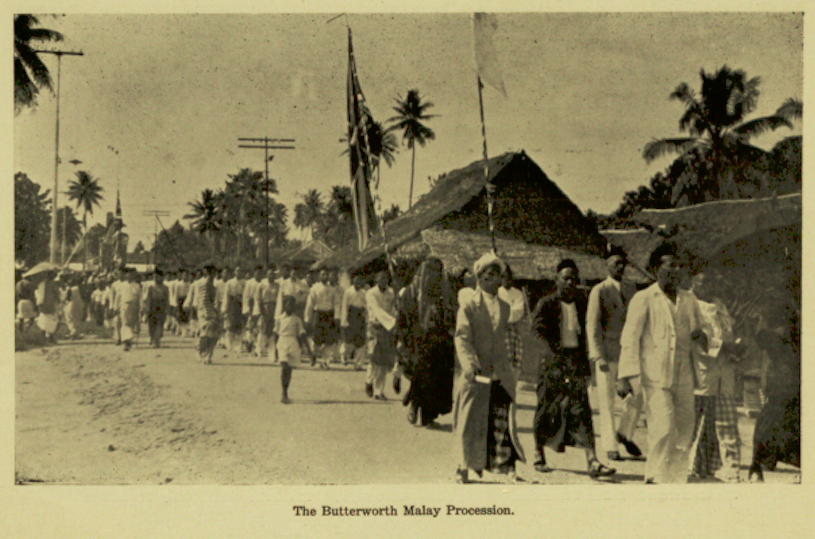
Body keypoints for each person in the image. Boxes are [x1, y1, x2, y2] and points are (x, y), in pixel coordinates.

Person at [618, 243, 704, 484]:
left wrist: (703, 337)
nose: (676, 270)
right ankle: (655, 479)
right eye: (670, 265)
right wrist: (624, 376)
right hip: (655, 376)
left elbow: (698, 331)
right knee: (663, 429)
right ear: (656, 269)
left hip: (684, 373)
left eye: (679, 265)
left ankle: (675, 481)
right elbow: (630, 338)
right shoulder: (644, 298)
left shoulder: (689, 299)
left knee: (685, 431)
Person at [532, 259, 616, 479]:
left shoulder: (582, 303)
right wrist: (552, 356)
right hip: (551, 363)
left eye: (573, 279)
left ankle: (592, 461)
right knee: (546, 407)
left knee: (582, 410)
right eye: (566, 278)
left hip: (574, 362)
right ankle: (538, 452)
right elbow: (536, 333)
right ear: (556, 279)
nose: (570, 282)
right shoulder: (546, 303)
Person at [453, 252, 525, 484]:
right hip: (475, 372)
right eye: (491, 275)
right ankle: (462, 466)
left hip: (498, 372)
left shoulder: (504, 307)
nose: (496, 280)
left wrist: (509, 370)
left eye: (498, 275)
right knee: (468, 418)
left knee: (500, 419)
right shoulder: (469, 306)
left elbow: (502, 339)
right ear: (480, 277)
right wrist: (469, 365)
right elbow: (462, 338)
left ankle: (504, 466)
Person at [686, 271, 745, 482]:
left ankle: (729, 467)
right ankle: (693, 466)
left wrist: (736, 347)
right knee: (700, 420)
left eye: (709, 280)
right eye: (702, 281)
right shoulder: (689, 304)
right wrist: (723, 347)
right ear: (693, 283)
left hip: (724, 370)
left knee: (726, 422)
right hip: (702, 368)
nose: (707, 285)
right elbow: (696, 337)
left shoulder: (720, 305)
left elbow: (728, 331)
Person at [586, 247, 643, 461]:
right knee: (607, 401)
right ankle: (610, 445)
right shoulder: (599, 290)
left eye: (623, 264)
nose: (620, 267)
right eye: (616, 263)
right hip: (607, 353)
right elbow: (592, 326)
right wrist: (598, 356)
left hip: (629, 353)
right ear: (607, 265)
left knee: (639, 395)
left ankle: (624, 433)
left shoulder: (632, 289)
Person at [396, 257, 456, 427]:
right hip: (418, 341)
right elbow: (403, 318)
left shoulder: (443, 292)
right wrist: (403, 339)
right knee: (422, 376)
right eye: (431, 270)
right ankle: (415, 404)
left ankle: (428, 416)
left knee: (436, 380)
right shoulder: (411, 292)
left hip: (438, 341)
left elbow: (450, 314)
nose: (434, 275)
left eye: (438, 271)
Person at [748, 300, 800, 483]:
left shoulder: (770, 335)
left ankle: (756, 467)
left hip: (785, 385)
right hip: (786, 385)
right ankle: (756, 467)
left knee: (769, 424)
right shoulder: (785, 334)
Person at [275, 295, 316, 404]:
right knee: (284, 366)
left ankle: (286, 391)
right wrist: (275, 349)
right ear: (284, 305)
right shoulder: (279, 318)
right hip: (282, 342)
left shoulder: (297, 319)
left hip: (293, 343)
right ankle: (283, 393)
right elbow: (276, 334)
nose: (291, 307)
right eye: (289, 304)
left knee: (288, 369)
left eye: (293, 305)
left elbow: (302, 335)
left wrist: (309, 351)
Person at [365, 271, 398, 399]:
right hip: (375, 327)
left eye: (385, 279)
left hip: (387, 329)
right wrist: (392, 322)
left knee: (384, 360)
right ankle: (369, 381)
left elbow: (392, 308)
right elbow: (376, 310)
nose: (383, 281)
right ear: (376, 279)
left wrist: (397, 318)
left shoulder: (391, 292)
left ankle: (379, 391)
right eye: (380, 279)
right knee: (374, 357)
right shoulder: (371, 293)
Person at [305, 268, 340, 368]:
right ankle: (314, 356)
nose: (324, 277)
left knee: (328, 340)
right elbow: (310, 304)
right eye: (322, 275)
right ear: (319, 276)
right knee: (317, 338)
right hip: (318, 314)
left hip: (329, 315)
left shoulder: (333, 289)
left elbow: (337, 303)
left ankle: (325, 361)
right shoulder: (315, 288)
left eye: (326, 275)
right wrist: (308, 318)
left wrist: (337, 316)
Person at [498, 265, 525, 370]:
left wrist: (505, 314)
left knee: (513, 362)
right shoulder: (496, 292)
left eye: (508, 277)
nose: (506, 280)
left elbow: (518, 312)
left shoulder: (518, 294)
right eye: (503, 277)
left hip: (513, 330)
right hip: (499, 330)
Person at [340, 273, 368, 370]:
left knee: (360, 340)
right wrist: (344, 320)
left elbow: (366, 306)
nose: (358, 283)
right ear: (353, 282)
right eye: (356, 282)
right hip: (351, 316)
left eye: (360, 282)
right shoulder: (348, 292)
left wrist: (366, 317)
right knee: (348, 340)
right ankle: (344, 355)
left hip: (360, 317)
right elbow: (345, 306)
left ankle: (358, 363)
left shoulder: (364, 293)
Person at [196, 265, 221, 364]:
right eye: (211, 273)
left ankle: (209, 355)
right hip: (204, 312)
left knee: (214, 335)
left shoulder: (213, 286)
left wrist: (216, 312)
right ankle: (200, 352)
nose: (212, 276)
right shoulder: (204, 285)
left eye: (214, 274)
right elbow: (203, 300)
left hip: (212, 312)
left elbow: (215, 301)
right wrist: (206, 313)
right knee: (205, 334)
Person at [115, 268, 142, 351]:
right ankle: (126, 342)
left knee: (132, 324)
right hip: (124, 305)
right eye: (128, 275)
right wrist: (115, 307)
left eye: (131, 275)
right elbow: (118, 297)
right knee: (125, 323)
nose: (129, 276)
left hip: (134, 306)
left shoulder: (137, 285)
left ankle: (129, 340)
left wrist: (141, 308)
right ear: (126, 276)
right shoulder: (122, 285)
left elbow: (140, 298)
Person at [256, 266, 279, 361]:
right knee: (263, 329)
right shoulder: (262, 284)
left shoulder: (277, 285)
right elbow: (258, 298)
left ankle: (272, 353)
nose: (271, 275)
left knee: (273, 330)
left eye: (273, 274)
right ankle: (259, 350)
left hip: (275, 307)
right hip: (265, 307)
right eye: (270, 273)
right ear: (266, 274)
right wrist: (261, 310)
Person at [143, 270, 170, 348]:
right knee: (151, 324)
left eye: (157, 277)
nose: (155, 278)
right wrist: (146, 308)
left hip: (161, 307)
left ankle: (157, 341)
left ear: (162, 278)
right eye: (154, 277)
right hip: (152, 306)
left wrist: (167, 308)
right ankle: (151, 337)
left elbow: (167, 299)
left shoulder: (165, 288)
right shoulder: (150, 287)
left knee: (160, 324)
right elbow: (147, 298)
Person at [222, 266, 246, 352]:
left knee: (239, 325)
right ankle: (229, 344)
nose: (238, 272)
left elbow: (246, 295)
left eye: (240, 271)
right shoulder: (230, 282)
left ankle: (238, 345)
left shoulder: (244, 282)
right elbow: (226, 295)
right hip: (232, 305)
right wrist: (225, 307)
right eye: (237, 271)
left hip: (241, 305)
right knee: (230, 325)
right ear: (234, 272)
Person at [35, 269, 61, 343]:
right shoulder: (53, 283)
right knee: (53, 321)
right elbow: (57, 293)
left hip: (42, 304)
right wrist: (59, 300)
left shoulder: (41, 284)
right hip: (51, 304)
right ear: (51, 275)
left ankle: (43, 337)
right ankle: (51, 337)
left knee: (44, 320)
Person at [243, 266, 263, 353]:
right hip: (252, 306)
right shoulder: (249, 283)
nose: (259, 275)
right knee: (250, 326)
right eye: (257, 273)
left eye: (260, 273)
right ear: (254, 273)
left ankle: (256, 344)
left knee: (259, 326)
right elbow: (246, 296)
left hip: (261, 307)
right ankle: (249, 343)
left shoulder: (263, 283)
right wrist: (247, 309)